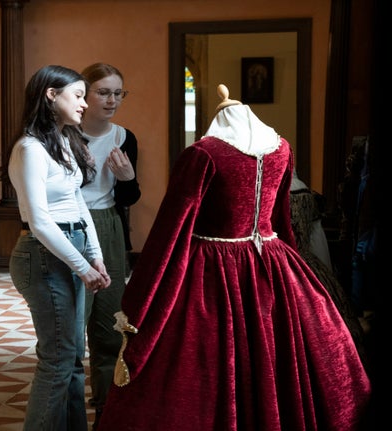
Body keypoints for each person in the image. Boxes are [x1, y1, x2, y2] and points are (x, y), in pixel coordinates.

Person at [97, 85, 371, 430]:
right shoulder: (282, 147)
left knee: (201, 363)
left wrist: (142, 296)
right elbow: (281, 222)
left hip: (210, 266)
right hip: (273, 258)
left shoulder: (202, 153)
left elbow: (172, 228)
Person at [0, 64, 112, 431]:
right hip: (42, 255)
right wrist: (82, 267)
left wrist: (97, 256)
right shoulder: (29, 148)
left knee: (75, 357)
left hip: (72, 245)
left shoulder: (63, 139)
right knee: (58, 360)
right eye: (78, 96)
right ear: (51, 95)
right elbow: (40, 221)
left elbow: (79, 203)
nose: (84, 104)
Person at [78, 62, 141, 430]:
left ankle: (105, 410)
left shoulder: (124, 137)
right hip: (67, 226)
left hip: (108, 226)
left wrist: (128, 179)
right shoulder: (62, 133)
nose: (112, 100)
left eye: (118, 93)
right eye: (104, 92)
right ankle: (68, 412)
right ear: (83, 95)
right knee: (72, 326)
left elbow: (130, 197)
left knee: (109, 325)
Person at [290, 171, 369, 365]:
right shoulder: (305, 191)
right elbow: (316, 238)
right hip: (307, 259)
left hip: (285, 261)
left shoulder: (273, 190)